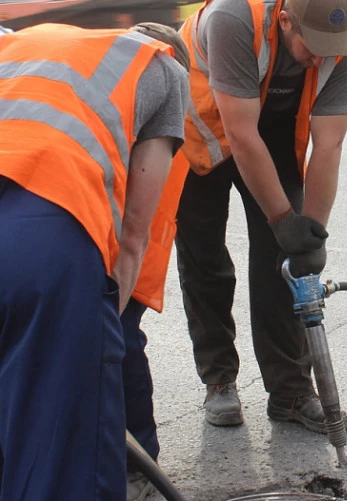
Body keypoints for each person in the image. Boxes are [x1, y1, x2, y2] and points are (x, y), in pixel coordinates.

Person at [0, 21, 189, 501]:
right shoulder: (166, 71)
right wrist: (102, 333)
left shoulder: (28, 42)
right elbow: (132, 237)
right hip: (38, 233)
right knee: (62, 454)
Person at [174, 0, 347, 430]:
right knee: (205, 258)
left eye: (329, 48)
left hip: (269, 126)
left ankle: (291, 393)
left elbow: (329, 144)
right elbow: (240, 136)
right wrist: (281, 218)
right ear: (284, 22)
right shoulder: (232, 19)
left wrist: (309, 237)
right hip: (199, 125)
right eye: (311, 47)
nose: (321, 58)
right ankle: (219, 380)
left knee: (282, 263)